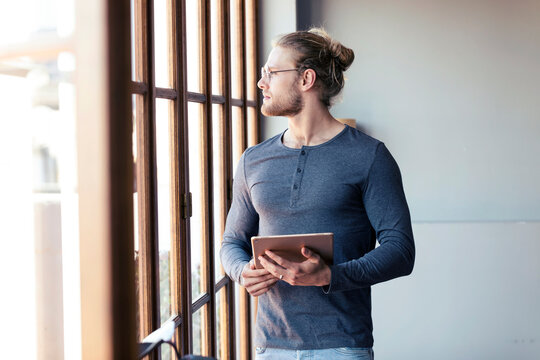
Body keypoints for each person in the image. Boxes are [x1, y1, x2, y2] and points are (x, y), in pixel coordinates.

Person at [220, 28, 415, 360]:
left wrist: (331, 275)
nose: (261, 82)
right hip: (270, 347)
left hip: (342, 347)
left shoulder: (369, 156)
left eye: (271, 72)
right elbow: (231, 242)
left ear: (306, 79)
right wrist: (242, 271)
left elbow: (401, 250)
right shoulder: (253, 159)